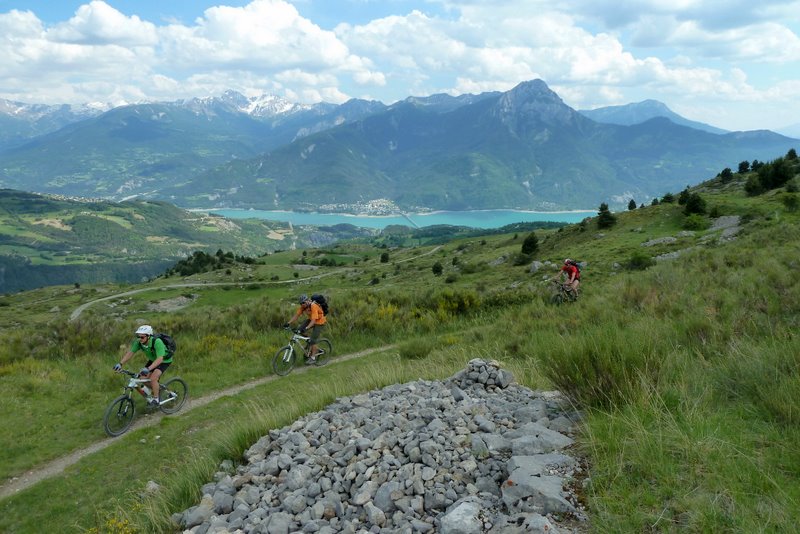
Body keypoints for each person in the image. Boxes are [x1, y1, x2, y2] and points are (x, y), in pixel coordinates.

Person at [113, 325, 172, 406]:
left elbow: (160, 359)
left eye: (142, 337)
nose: (140, 339)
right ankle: (158, 389)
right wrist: (120, 363)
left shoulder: (157, 342)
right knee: (142, 378)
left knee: (153, 378)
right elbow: (130, 353)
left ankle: (156, 399)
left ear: (148, 336)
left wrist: (148, 369)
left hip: (164, 360)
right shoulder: (139, 342)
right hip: (153, 360)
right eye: (138, 336)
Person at [284, 294, 327, 364]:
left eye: (303, 302)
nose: (302, 304)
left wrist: (307, 328)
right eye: (301, 303)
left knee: (313, 340)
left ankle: (313, 358)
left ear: (307, 301)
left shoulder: (313, 306)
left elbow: (314, 321)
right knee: (299, 330)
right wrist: (288, 323)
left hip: (319, 322)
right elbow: (296, 315)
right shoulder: (303, 307)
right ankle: (311, 344)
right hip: (311, 320)